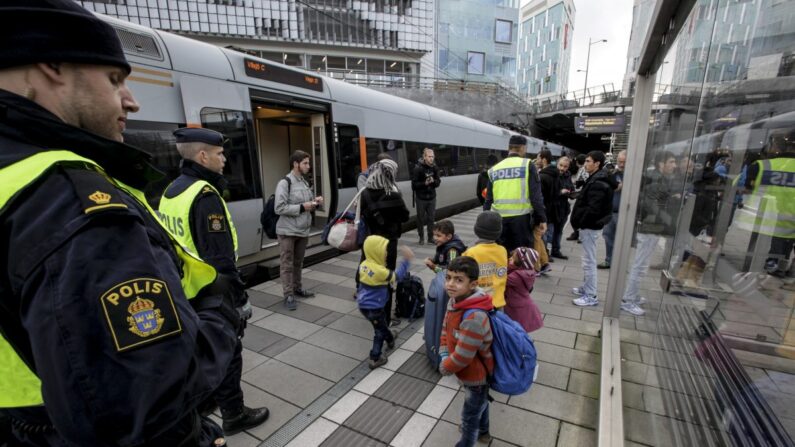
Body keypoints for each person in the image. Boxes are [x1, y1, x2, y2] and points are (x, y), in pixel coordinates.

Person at [0, 1, 240, 444]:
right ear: (51, 65)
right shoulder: (70, 201)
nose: (130, 100)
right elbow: (145, 405)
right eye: (114, 79)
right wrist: (221, 316)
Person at [157, 127, 269, 434]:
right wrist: (240, 299)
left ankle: (204, 407)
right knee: (229, 352)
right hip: (213, 292)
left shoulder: (171, 191)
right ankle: (233, 414)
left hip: (185, 290)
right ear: (203, 156)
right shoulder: (205, 196)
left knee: (202, 352)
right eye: (220, 154)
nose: (224, 159)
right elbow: (220, 259)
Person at [438, 256, 494, 447]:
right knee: (479, 404)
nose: (450, 284)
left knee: (469, 420)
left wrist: (446, 366)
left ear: (473, 284)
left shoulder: (474, 317)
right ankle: (484, 433)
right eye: (448, 277)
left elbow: (464, 356)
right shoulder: (455, 302)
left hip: (476, 377)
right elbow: (445, 329)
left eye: (459, 280)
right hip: (469, 373)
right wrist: (444, 352)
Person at [621, 151, 681, 316]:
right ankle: (628, 300)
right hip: (650, 227)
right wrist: (672, 201)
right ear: (661, 164)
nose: (674, 165)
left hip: (650, 227)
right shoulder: (656, 181)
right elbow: (652, 205)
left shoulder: (656, 179)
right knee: (640, 265)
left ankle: (630, 296)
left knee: (640, 264)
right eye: (672, 162)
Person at [360, 158, 411, 325]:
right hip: (388, 243)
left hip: (370, 243)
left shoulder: (365, 193)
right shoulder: (393, 194)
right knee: (387, 278)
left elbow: (363, 215)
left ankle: (370, 307)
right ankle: (386, 318)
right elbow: (405, 216)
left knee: (371, 274)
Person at [738, 140, 795, 277]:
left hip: (767, 216)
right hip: (790, 218)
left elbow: (739, 186)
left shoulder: (765, 165)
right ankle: (781, 267)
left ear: (777, 149)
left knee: (766, 243)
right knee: (785, 242)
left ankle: (768, 264)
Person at [275, 150, 323, 310]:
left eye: (308, 163)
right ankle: (288, 295)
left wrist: (314, 202)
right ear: (296, 164)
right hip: (288, 231)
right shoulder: (285, 182)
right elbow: (279, 208)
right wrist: (303, 207)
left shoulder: (303, 181)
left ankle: (297, 288)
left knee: (298, 262)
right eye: (305, 163)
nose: (309, 166)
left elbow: (305, 203)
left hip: (302, 230)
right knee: (287, 264)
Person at [357, 236, 414, 368]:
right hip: (375, 307)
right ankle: (375, 357)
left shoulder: (363, 265)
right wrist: (406, 260)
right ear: (376, 252)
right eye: (384, 251)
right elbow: (397, 276)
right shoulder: (380, 271)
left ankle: (390, 337)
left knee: (381, 325)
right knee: (379, 331)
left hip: (364, 305)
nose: (387, 253)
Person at [483, 135, 547, 254]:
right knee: (521, 257)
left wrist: (485, 221)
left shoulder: (494, 169)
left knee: (501, 254)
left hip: (498, 220)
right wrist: (541, 219)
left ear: (509, 148)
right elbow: (535, 197)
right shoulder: (527, 165)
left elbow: (488, 200)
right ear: (523, 148)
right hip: (521, 220)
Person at [570, 151, 614, 307]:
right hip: (590, 226)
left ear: (597, 164)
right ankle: (586, 288)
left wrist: (581, 222)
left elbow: (593, 208)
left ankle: (591, 295)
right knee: (587, 260)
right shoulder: (597, 178)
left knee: (589, 261)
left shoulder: (598, 182)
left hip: (590, 226)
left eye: (588, 161)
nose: (585, 163)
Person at [463, 211, 509, 310]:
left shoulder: (471, 252)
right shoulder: (502, 251)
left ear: (476, 230)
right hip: (498, 302)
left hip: (478, 302)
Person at [505, 247, 544, 333]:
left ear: (520, 262)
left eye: (513, 257)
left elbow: (501, 280)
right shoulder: (528, 272)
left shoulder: (516, 276)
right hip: (523, 304)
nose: (509, 258)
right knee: (519, 330)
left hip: (516, 307)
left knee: (515, 330)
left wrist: (508, 266)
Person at [599, 150, 626, 269]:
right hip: (610, 212)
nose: (621, 164)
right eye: (619, 161)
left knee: (622, 240)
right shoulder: (612, 173)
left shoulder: (633, 176)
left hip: (624, 213)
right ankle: (609, 259)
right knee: (608, 236)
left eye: (624, 162)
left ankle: (620, 262)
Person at [536, 149, 561, 272]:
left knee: (539, 237)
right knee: (544, 236)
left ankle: (539, 265)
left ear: (544, 159)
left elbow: (539, 197)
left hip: (544, 211)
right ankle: (545, 262)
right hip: (553, 210)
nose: (537, 160)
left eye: (538, 158)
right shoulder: (556, 174)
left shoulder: (542, 176)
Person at [412, 147, 441, 244]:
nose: (431, 158)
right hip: (421, 198)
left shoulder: (435, 167)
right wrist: (424, 183)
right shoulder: (418, 168)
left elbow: (438, 182)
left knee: (431, 218)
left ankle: (430, 237)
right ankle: (421, 237)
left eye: (432, 156)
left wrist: (433, 182)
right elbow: (414, 185)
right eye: (429, 156)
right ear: (424, 157)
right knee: (420, 218)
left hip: (432, 197)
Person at [551, 156, 575, 259]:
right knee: (549, 232)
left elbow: (571, 188)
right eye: (560, 165)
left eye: (565, 166)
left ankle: (556, 250)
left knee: (559, 230)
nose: (562, 168)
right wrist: (560, 192)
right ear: (557, 164)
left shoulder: (568, 175)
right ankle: (545, 253)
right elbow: (549, 192)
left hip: (563, 208)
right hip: (553, 208)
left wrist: (572, 193)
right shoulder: (552, 175)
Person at [567, 154, 589, 242]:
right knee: (576, 216)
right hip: (580, 195)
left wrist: (575, 183)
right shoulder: (583, 169)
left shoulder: (583, 169)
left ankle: (579, 235)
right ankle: (577, 234)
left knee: (576, 217)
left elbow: (582, 181)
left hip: (582, 195)